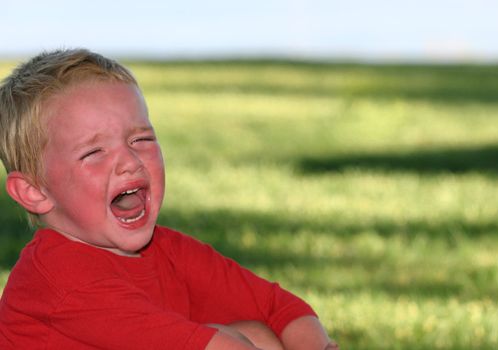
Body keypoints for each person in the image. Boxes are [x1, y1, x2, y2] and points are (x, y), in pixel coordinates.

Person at [0, 49, 339, 350]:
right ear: (35, 192)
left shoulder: (168, 251)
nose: (130, 161)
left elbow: (278, 308)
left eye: (141, 139)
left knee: (259, 333)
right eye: (94, 151)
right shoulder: (59, 279)